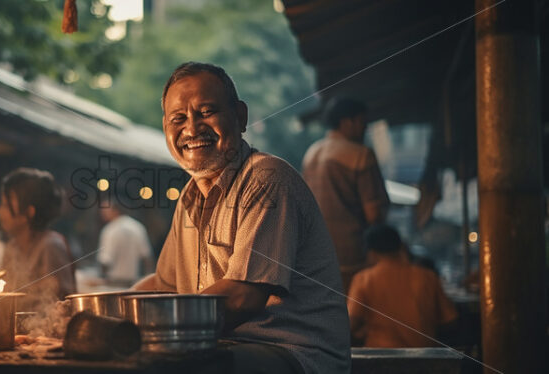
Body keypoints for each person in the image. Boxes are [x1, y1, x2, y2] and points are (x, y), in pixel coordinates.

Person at [134, 62, 350, 374]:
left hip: (293, 355)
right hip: (228, 349)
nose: (191, 129)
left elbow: (242, 297)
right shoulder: (190, 196)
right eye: (178, 119)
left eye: (206, 112)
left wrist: (144, 328)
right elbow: (165, 286)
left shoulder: (267, 180)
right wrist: (92, 313)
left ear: (241, 116)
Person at [301, 98, 390, 292]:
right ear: (347, 122)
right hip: (354, 259)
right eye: (362, 123)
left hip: (315, 257)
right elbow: (374, 214)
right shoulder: (361, 155)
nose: (365, 129)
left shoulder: (311, 153)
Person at [347, 224, 457, 347]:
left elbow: (351, 325)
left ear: (371, 253)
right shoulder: (428, 276)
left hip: (380, 359)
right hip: (425, 358)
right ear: (400, 248)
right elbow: (450, 320)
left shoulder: (364, 279)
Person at [0, 168, 76, 310]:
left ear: (29, 212)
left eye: (5, 205)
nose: (0, 211)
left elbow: (60, 301)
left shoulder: (50, 246)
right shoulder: (12, 247)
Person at [97, 200, 154, 287]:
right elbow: (147, 257)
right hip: (135, 283)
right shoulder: (137, 226)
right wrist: (148, 281)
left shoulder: (110, 230)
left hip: (114, 283)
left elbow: (105, 261)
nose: (102, 214)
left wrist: (102, 278)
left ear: (115, 210)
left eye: (105, 210)